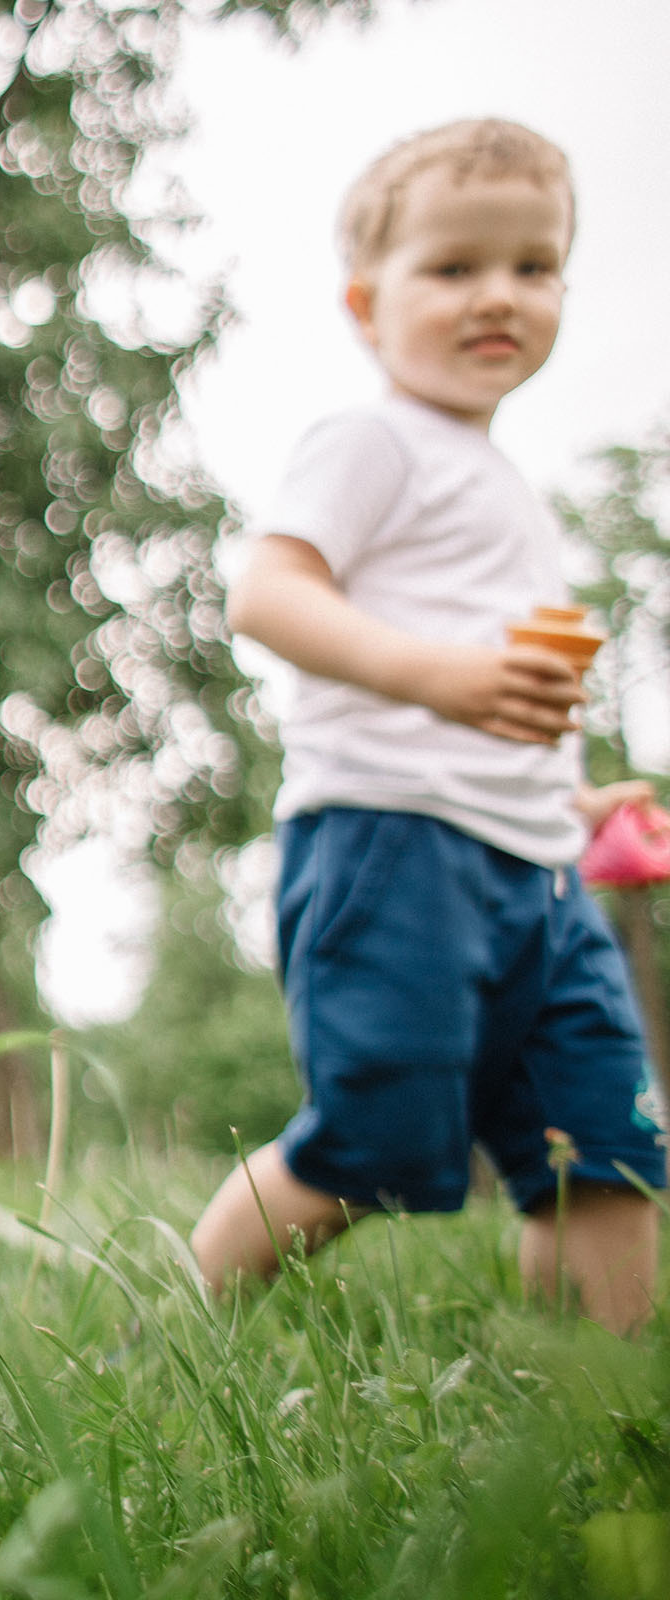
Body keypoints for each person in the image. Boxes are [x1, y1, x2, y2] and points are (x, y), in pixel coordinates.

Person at [188, 119, 664, 1331]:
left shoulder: (505, 479)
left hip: (536, 875)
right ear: (366, 302)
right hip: (391, 851)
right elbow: (268, 592)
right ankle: (199, 1308)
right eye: (453, 269)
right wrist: (441, 679)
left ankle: (602, 1403)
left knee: (601, 1130)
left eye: (532, 266)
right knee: (377, 1133)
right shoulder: (372, 440)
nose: (496, 296)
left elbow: (490, 697)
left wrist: (569, 795)